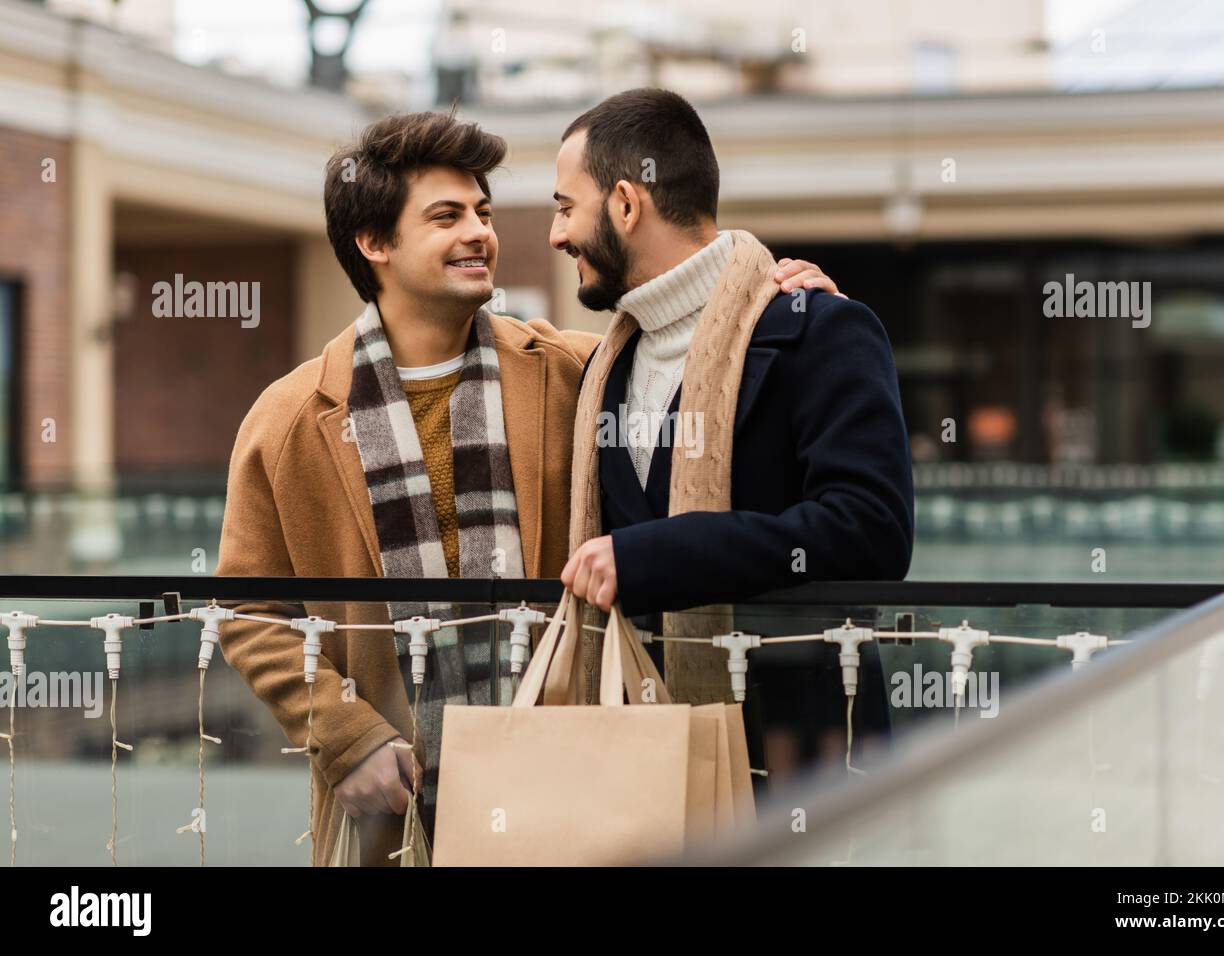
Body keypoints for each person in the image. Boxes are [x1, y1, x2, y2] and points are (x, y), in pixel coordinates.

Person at [215, 107, 843, 864]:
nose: (480, 232)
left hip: (561, 780)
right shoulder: (288, 418)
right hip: (393, 801)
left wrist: (780, 296)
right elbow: (249, 610)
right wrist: (344, 736)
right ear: (374, 243)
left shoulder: (577, 368)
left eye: (482, 212)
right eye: (447, 216)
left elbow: (697, 332)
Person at [555, 89, 914, 779]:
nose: (556, 234)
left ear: (627, 204)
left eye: (566, 207)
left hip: (801, 763)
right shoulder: (600, 364)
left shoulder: (819, 326)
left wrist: (659, 554)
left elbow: (872, 530)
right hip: (644, 766)